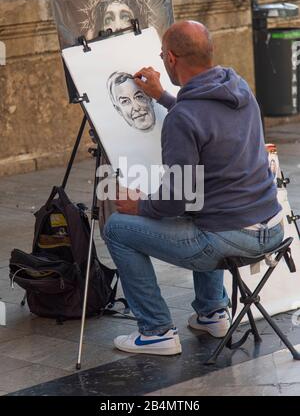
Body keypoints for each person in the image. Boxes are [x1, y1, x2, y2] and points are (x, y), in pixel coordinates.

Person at [103, 21, 284, 356]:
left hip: (229, 237)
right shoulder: (238, 88)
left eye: (161, 55)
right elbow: (204, 121)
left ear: (171, 58)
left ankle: (156, 331)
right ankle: (213, 311)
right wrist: (164, 97)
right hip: (272, 228)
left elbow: (175, 199)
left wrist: (139, 206)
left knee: (117, 228)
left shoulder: (184, 118)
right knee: (204, 205)